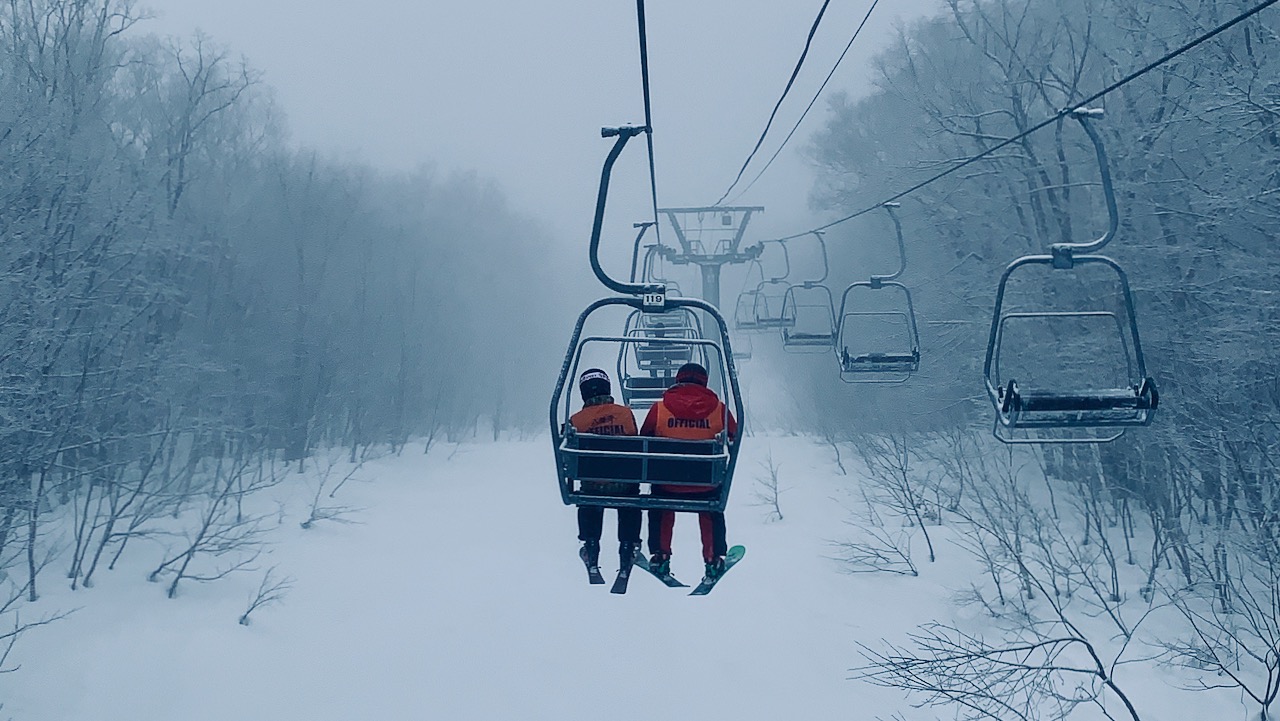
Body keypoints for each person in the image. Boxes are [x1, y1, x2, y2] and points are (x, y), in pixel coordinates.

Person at [640, 362, 738, 584]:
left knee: (660, 502)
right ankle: (713, 559)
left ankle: (660, 555)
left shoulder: (660, 409)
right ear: (704, 381)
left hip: (667, 486)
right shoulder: (719, 410)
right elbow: (735, 435)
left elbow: (644, 437)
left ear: (678, 379)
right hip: (706, 486)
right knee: (712, 505)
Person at [568, 368, 642, 576]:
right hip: (625, 486)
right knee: (629, 499)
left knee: (589, 496)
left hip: (592, 486)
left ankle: (591, 548)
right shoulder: (625, 413)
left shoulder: (577, 421)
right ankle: (628, 548)